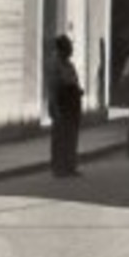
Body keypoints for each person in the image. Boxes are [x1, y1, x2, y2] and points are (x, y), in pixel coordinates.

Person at [48, 35, 84, 177]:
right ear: (62, 48)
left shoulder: (69, 64)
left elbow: (73, 81)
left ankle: (70, 166)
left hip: (72, 102)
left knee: (72, 135)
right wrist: (55, 107)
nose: (71, 50)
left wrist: (78, 90)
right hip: (62, 102)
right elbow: (53, 88)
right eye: (69, 47)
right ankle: (58, 168)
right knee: (60, 137)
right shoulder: (55, 64)